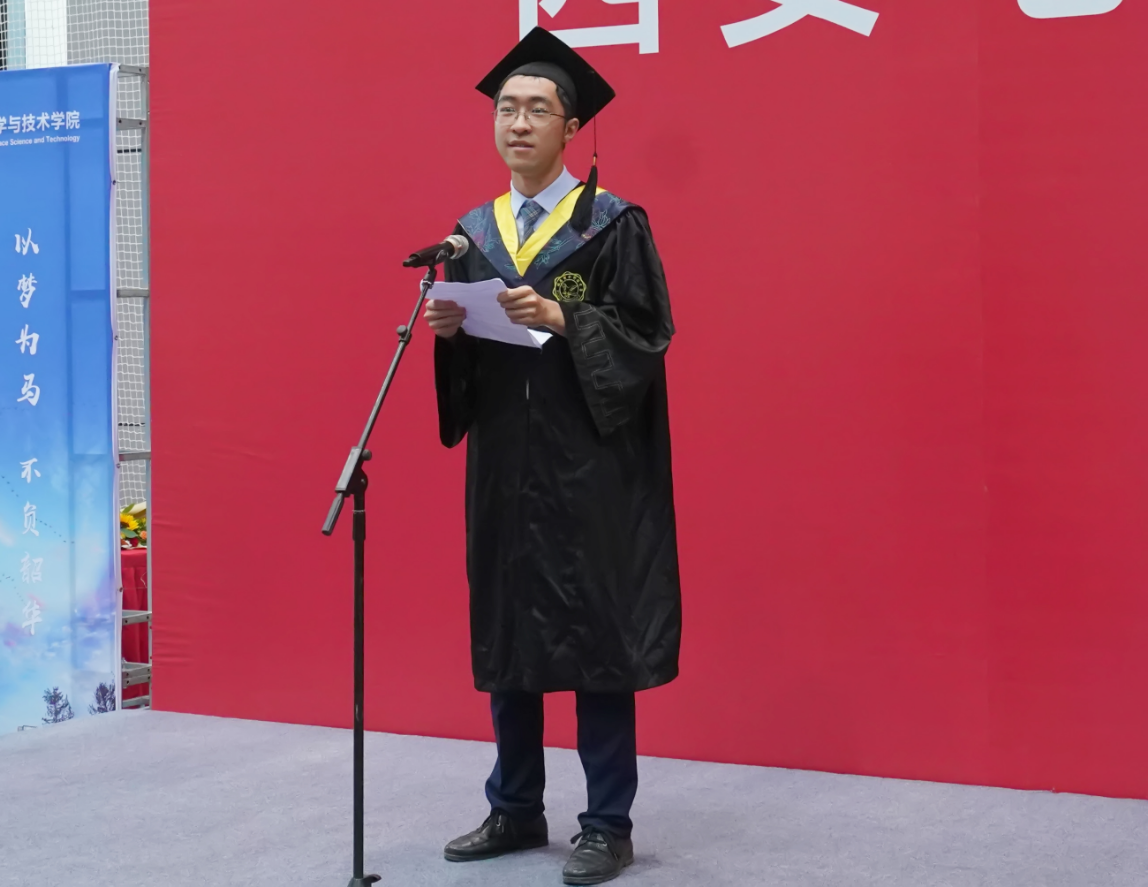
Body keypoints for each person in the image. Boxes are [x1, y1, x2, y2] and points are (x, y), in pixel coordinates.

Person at [424, 27, 682, 886]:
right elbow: (471, 366)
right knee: (511, 624)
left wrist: (567, 316)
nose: (519, 123)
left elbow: (649, 333)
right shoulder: (472, 233)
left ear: (571, 128)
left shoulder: (612, 225)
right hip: (506, 465)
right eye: (507, 108)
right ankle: (514, 805)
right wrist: (452, 332)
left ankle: (607, 821)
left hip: (593, 467)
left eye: (538, 109)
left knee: (597, 634)